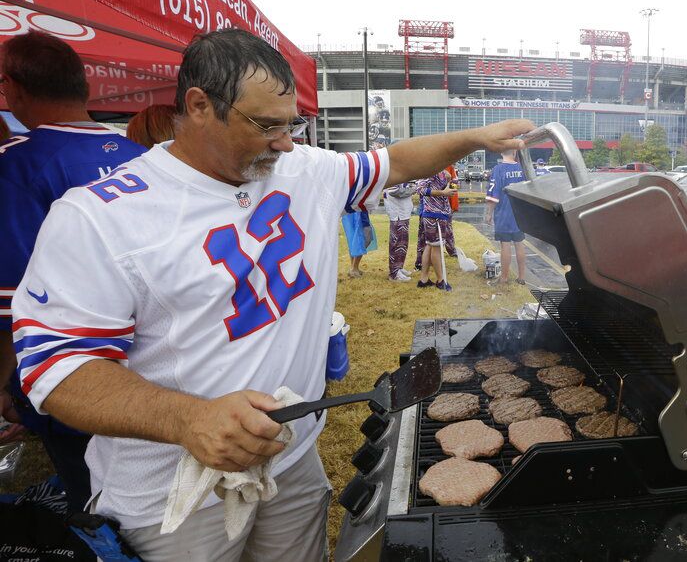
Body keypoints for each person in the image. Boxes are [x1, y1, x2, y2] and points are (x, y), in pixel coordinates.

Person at [10, 28, 532, 560]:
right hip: (174, 494)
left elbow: (393, 162)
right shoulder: (99, 217)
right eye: (267, 126)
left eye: (293, 125)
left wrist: (475, 138)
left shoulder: (302, 169)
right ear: (198, 106)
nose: (286, 143)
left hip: (291, 458)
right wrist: (188, 418)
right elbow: (58, 370)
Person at [0, 31, 147, 512]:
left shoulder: (18, 166)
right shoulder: (141, 156)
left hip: (76, 379)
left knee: (98, 504)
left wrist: (9, 385)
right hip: (150, 364)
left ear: (14, 88)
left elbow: (13, 299)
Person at [485, 149, 528, 285]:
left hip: (503, 213)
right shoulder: (522, 169)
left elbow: (493, 195)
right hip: (520, 213)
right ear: (514, 152)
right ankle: (521, 277)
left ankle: (504, 278)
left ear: (501, 152)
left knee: (505, 245)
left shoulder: (498, 169)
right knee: (519, 243)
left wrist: (489, 213)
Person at [416, 168, 456, 291]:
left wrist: (448, 180)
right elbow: (420, 189)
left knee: (429, 245)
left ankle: (424, 279)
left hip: (440, 213)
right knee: (437, 246)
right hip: (433, 213)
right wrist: (443, 193)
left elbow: (450, 186)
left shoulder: (442, 170)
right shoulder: (428, 168)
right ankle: (440, 280)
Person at [383, 182, 416, 281]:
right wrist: (413, 189)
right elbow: (395, 191)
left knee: (403, 243)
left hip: (403, 212)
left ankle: (399, 267)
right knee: (396, 243)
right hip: (397, 213)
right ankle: (394, 273)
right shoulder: (393, 174)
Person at [341, 209, 377, 278]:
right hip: (358, 213)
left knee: (354, 239)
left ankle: (353, 267)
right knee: (364, 239)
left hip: (350, 213)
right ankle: (354, 268)